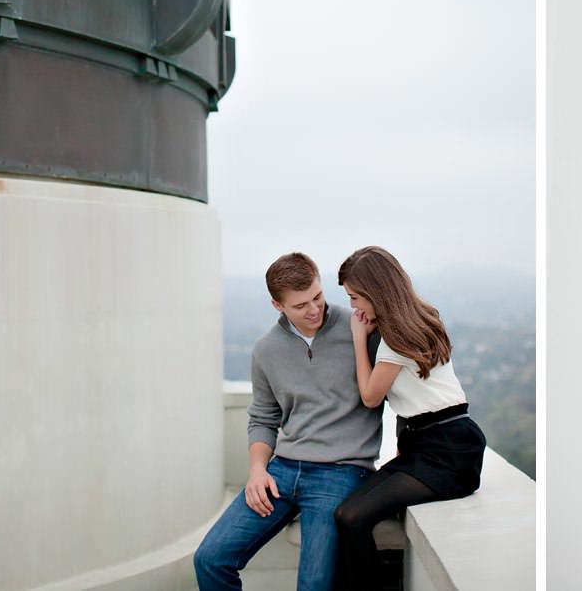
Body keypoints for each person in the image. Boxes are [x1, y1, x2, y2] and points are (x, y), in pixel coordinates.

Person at [194, 252, 383, 591]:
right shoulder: (266, 350)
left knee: (314, 584)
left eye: (318, 297)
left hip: (341, 471)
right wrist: (257, 470)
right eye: (300, 306)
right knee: (210, 558)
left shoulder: (360, 327)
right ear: (277, 305)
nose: (314, 310)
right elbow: (263, 417)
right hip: (282, 470)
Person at [334, 245, 487, 590]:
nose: (354, 306)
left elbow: (372, 397)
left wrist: (360, 339)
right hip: (430, 444)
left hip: (447, 452)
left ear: (377, 293)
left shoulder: (394, 339)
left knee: (351, 516)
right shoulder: (422, 316)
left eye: (356, 297)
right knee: (348, 513)